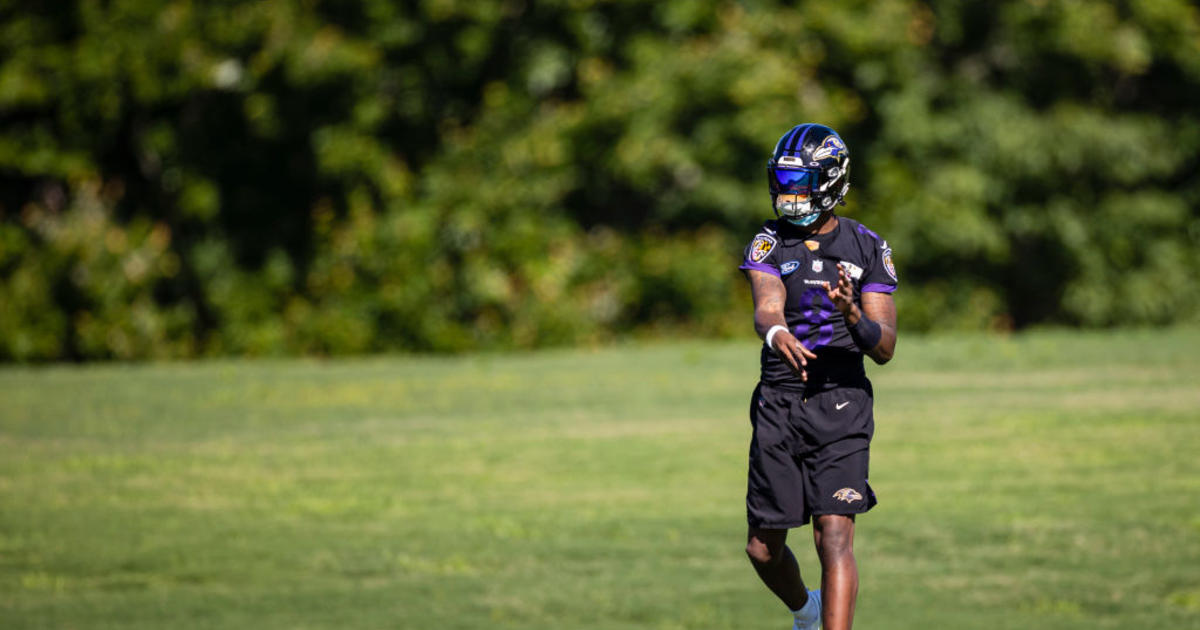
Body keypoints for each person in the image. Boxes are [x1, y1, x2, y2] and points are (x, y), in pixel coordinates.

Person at [738, 123, 898, 630]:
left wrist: (854, 317)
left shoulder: (867, 247)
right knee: (763, 549)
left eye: (798, 184)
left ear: (830, 183)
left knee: (834, 535)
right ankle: (806, 613)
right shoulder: (769, 241)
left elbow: (885, 346)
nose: (788, 196)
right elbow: (767, 304)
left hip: (842, 401)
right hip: (781, 401)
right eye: (782, 184)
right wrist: (776, 332)